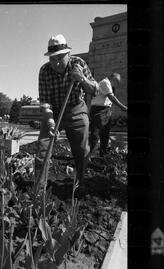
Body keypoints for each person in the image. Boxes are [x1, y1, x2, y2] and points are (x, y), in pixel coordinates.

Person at [36, 34, 98, 190]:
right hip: (54, 112)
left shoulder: (79, 64)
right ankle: (39, 188)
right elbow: (45, 103)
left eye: (60, 58)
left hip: (76, 108)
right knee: (43, 148)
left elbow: (95, 90)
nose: (56, 63)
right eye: (52, 58)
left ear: (68, 54)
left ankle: (80, 183)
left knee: (82, 150)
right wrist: (50, 122)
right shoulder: (44, 71)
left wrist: (82, 78)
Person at [88, 73, 127, 158]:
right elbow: (111, 97)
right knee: (95, 134)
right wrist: (123, 107)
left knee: (105, 134)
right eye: (116, 82)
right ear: (112, 78)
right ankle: (87, 155)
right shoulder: (105, 82)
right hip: (99, 110)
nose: (116, 85)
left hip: (106, 110)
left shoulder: (108, 84)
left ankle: (103, 154)